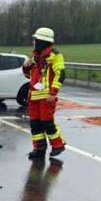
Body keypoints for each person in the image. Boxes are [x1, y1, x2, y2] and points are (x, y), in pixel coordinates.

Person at [23, 27, 65, 158]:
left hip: (47, 96)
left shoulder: (55, 55)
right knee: (35, 124)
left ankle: (58, 145)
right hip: (34, 96)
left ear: (42, 40)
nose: (33, 42)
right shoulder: (35, 56)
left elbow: (61, 74)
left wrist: (53, 93)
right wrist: (25, 67)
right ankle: (39, 149)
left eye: (35, 39)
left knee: (47, 122)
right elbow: (29, 76)